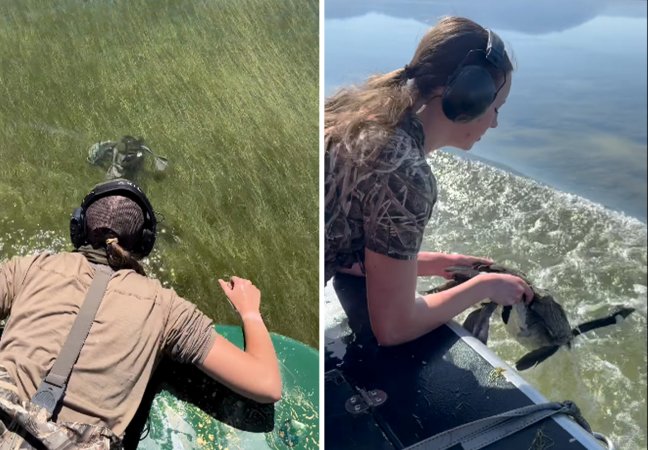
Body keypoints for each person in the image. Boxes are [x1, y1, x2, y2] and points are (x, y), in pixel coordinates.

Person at [0, 178, 281, 448]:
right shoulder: (167, 308)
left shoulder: (28, 268)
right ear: (145, 244)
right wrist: (250, 311)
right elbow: (266, 385)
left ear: (79, 228)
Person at [324, 16, 534, 346]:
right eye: (495, 108)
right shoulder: (405, 173)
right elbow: (393, 327)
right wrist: (484, 287)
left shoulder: (360, 115)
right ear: (468, 99)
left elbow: (341, 245)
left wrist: (439, 263)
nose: (494, 123)